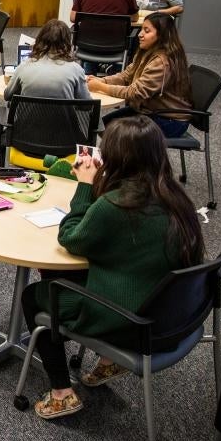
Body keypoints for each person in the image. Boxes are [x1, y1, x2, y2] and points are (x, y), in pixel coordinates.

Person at [19, 116, 204, 419]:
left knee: (34, 296)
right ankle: (107, 360)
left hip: (131, 322)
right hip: (170, 312)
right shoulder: (175, 196)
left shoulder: (117, 205)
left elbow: (70, 237)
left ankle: (62, 394)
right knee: (57, 276)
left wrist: (84, 187)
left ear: (116, 158)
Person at [88, 12, 193, 138]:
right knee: (103, 125)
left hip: (168, 119)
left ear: (161, 36)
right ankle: (123, 156)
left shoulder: (161, 62)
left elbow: (135, 93)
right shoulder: (146, 52)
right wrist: (102, 80)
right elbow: (126, 76)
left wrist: (100, 86)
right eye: (142, 29)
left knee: (113, 131)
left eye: (146, 31)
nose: (140, 34)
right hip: (149, 110)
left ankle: (131, 157)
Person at [4, 20, 91, 101]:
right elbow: (87, 105)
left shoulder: (24, 65)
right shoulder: (76, 70)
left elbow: (7, 95)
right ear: (68, 43)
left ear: (40, 39)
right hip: (62, 118)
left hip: (27, 118)